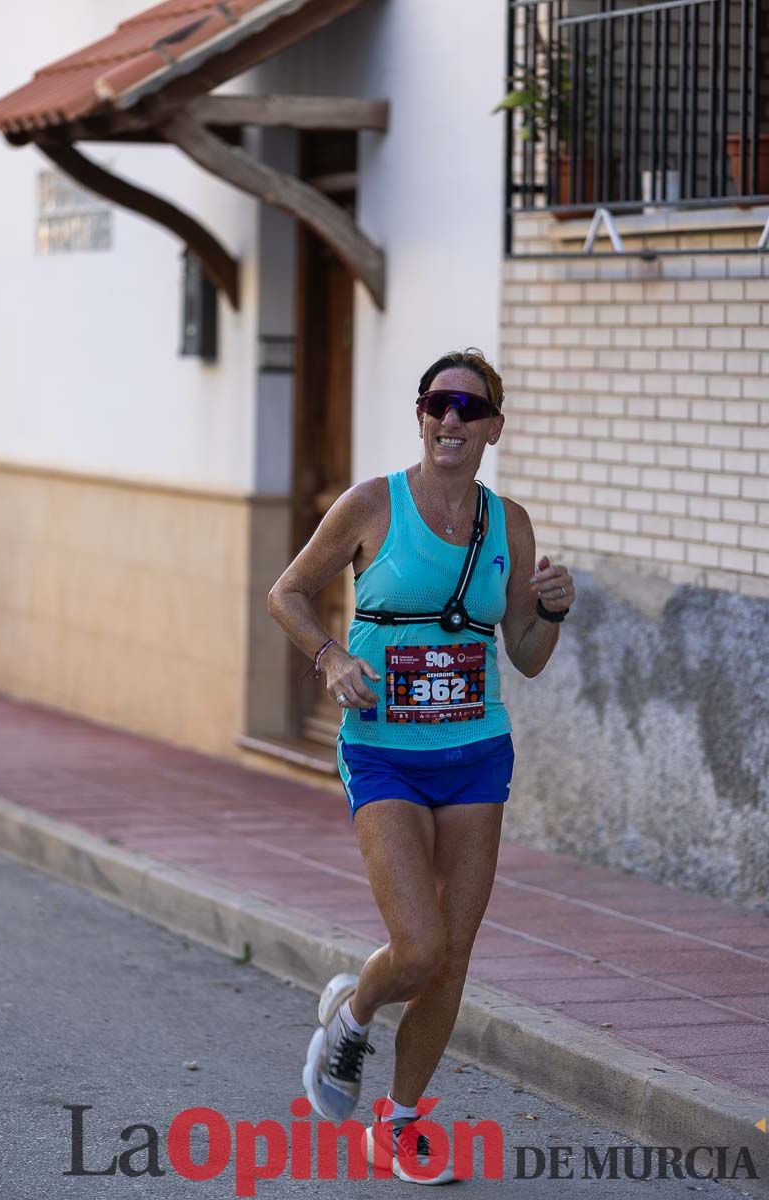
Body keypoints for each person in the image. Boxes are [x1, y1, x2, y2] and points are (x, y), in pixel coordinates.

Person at [267, 348, 575, 1183]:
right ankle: (353, 1011)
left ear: (493, 429)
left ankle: (399, 1125)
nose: (451, 418)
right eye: (438, 403)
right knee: (417, 945)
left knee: (456, 953)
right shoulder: (373, 503)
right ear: (420, 415)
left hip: (477, 750)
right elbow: (286, 593)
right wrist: (330, 656)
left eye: (469, 408)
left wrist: (551, 609)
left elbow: (529, 653)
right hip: (384, 751)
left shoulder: (509, 524)